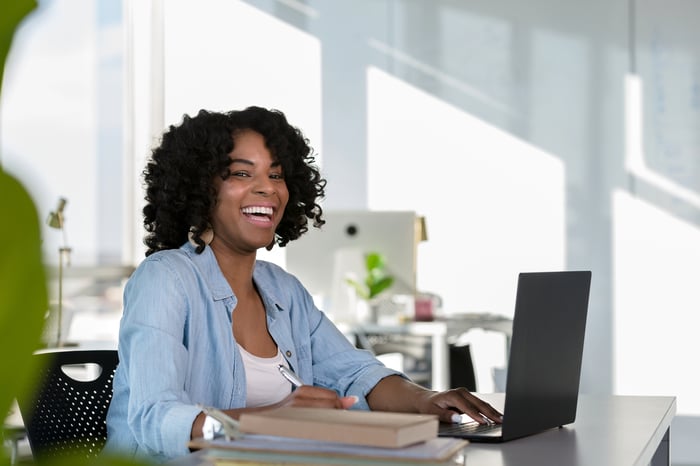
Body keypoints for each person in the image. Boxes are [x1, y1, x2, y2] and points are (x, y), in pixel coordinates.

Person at [104, 106, 502, 462]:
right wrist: (272, 420)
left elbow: (355, 373)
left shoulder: (283, 290)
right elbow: (154, 419)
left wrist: (426, 400)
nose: (267, 188)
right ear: (199, 188)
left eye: (276, 175)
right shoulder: (166, 278)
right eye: (242, 173)